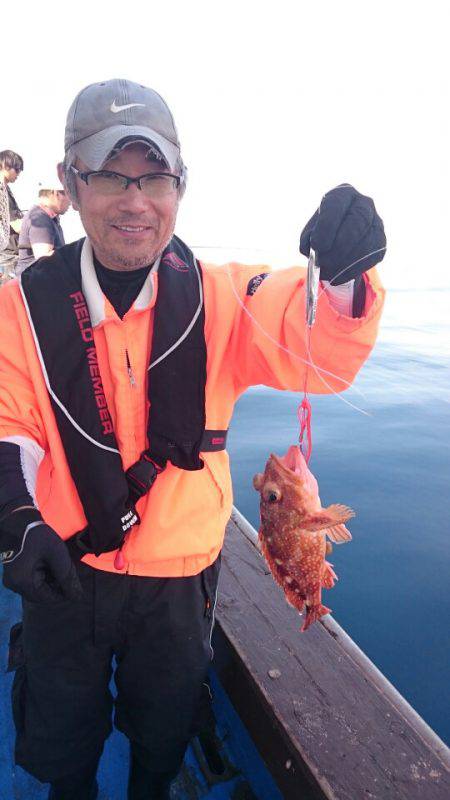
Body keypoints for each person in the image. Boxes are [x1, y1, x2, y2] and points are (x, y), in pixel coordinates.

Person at [0, 79, 386, 800]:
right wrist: (16, 521)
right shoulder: (19, 308)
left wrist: (342, 280)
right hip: (59, 565)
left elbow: (313, 341)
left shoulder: (222, 297)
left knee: (164, 724)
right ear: (70, 182)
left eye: (155, 177)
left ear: (181, 184)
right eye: (111, 175)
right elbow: (7, 421)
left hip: (179, 575)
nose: (135, 198)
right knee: (61, 735)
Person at [16, 172, 70, 274]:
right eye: (69, 194)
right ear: (56, 193)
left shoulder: (49, 218)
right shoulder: (40, 218)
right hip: (34, 284)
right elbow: (44, 259)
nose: (71, 202)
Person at [0, 150, 24, 281]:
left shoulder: (5, 189)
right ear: (5, 165)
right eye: (17, 169)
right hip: (7, 255)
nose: (19, 173)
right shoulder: (2, 191)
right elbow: (17, 225)